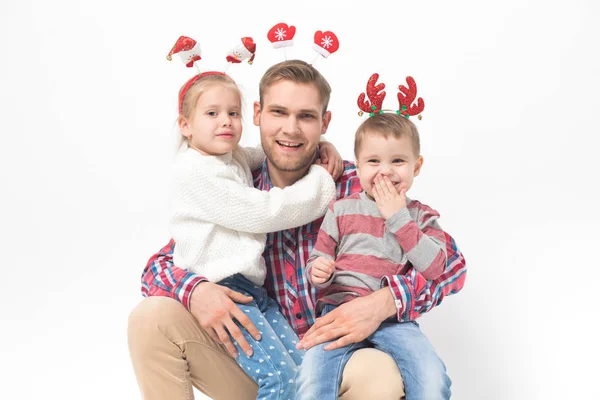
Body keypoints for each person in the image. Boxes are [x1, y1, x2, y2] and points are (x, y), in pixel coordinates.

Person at [128, 60, 467, 400]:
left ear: (325, 122)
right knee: (152, 318)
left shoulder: (361, 187)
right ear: (258, 114)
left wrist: (383, 303)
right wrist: (197, 291)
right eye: (278, 112)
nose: (291, 129)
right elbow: (161, 265)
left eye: (305, 116)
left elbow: (450, 267)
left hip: (336, 364)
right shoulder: (238, 189)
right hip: (263, 362)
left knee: (378, 373)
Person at [168, 70, 342, 399]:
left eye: (233, 113)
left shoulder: (225, 159)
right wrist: (320, 182)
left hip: (253, 292)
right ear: (185, 126)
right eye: (212, 113)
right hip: (226, 290)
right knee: (281, 381)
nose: (226, 122)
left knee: (304, 373)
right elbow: (264, 212)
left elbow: (263, 153)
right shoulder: (196, 172)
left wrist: (319, 146)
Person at [296, 112, 463, 400]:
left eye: (397, 161)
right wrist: (319, 270)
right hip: (336, 314)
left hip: (395, 321)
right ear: (358, 166)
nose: (384, 171)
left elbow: (436, 268)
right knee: (312, 379)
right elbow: (318, 258)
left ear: (416, 166)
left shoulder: (421, 217)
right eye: (374, 161)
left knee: (431, 375)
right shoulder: (340, 209)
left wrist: (398, 217)